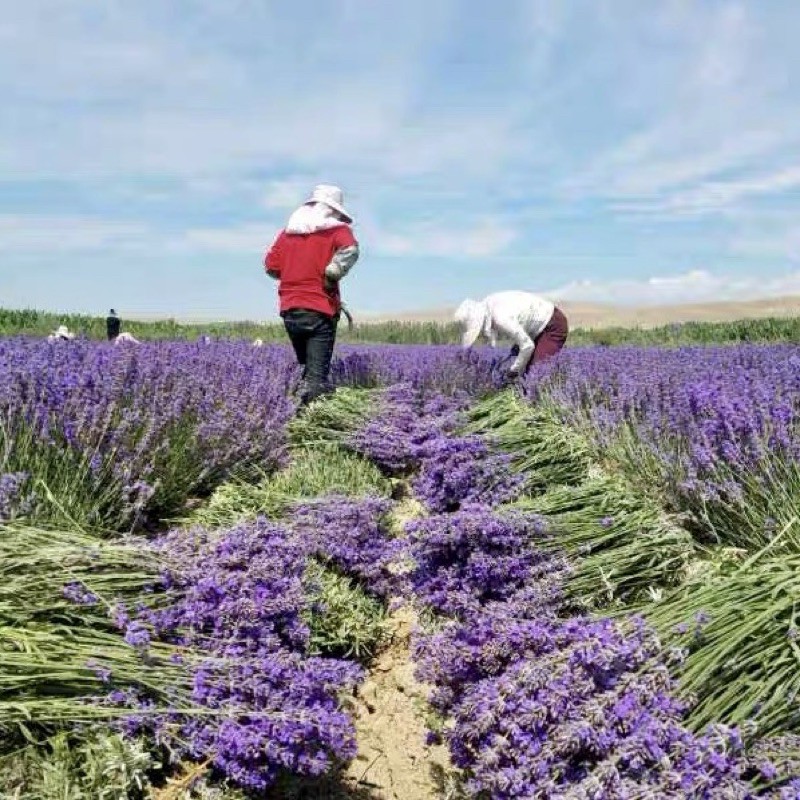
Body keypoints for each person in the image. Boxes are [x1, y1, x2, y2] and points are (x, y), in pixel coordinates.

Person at [264, 184, 359, 405]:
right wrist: (332, 273)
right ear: (333, 210)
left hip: (290, 310)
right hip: (320, 308)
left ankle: (291, 414)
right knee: (316, 378)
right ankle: (310, 426)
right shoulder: (337, 230)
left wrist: (294, 272)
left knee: (304, 368)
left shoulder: (287, 234)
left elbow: (270, 266)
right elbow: (351, 250)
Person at [454, 290, 569, 378]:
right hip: (535, 329)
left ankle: (536, 404)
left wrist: (514, 370)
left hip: (553, 324)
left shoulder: (501, 318)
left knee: (536, 371)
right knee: (518, 360)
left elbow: (528, 346)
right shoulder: (488, 305)